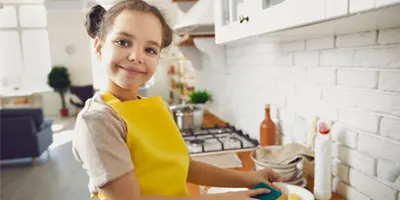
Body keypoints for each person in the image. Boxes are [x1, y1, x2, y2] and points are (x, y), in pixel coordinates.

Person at [72, 1, 282, 200]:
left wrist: (247, 178)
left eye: (150, 49)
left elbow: (185, 167)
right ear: (99, 48)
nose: (136, 56)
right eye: (123, 42)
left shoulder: (160, 108)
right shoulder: (98, 121)